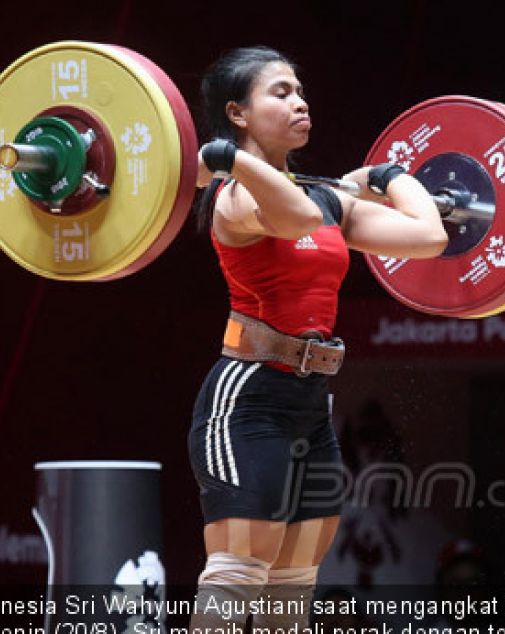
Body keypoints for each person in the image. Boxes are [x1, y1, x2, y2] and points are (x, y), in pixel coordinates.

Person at [185, 46, 448, 633]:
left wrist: (386, 174)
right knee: (236, 574)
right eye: (279, 93)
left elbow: (428, 235)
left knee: (292, 587)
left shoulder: (326, 199)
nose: (300, 102)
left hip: (309, 406)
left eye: (300, 91)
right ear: (238, 113)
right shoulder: (233, 198)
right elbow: (294, 219)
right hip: (246, 401)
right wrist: (233, 163)